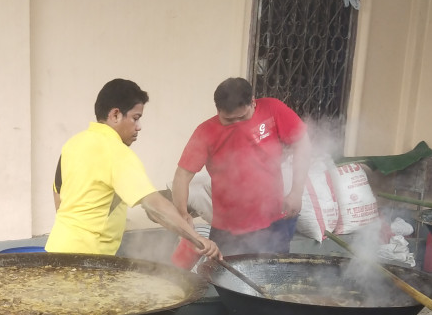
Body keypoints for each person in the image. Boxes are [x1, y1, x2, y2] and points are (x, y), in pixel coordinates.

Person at [45, 78, 220, 259]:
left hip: (56, 249)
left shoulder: (74, 144)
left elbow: (58, 196)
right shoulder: (116, 152)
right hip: (87, 259)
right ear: (115, 115)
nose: (139, 127)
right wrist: (198, 239)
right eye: (135, 118)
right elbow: (154, 206)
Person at [170, 77, 311, 257]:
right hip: (227, 231)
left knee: (272, 279)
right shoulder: (205, 131)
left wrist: (296, 193)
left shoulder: (272, 109)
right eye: (228, 120)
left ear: (253, 102)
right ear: (218, 110)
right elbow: (182, 175)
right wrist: (182, 213)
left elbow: (303, 144)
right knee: (227, 282)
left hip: (273, 223)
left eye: (242, 117)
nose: (237, 124)